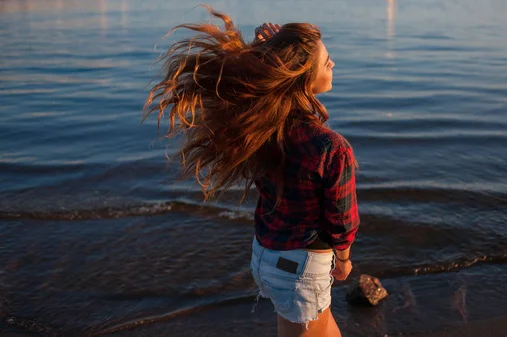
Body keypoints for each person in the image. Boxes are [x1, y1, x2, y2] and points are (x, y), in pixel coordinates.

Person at [145, 7, 360, 337]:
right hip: (300, 268)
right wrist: (343, 261)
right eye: (326, 61)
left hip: (268, 255)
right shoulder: (331, 147)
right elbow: (341, 221)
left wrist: (268, 49)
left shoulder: (263, 127)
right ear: (303, 76)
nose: (333, 64)